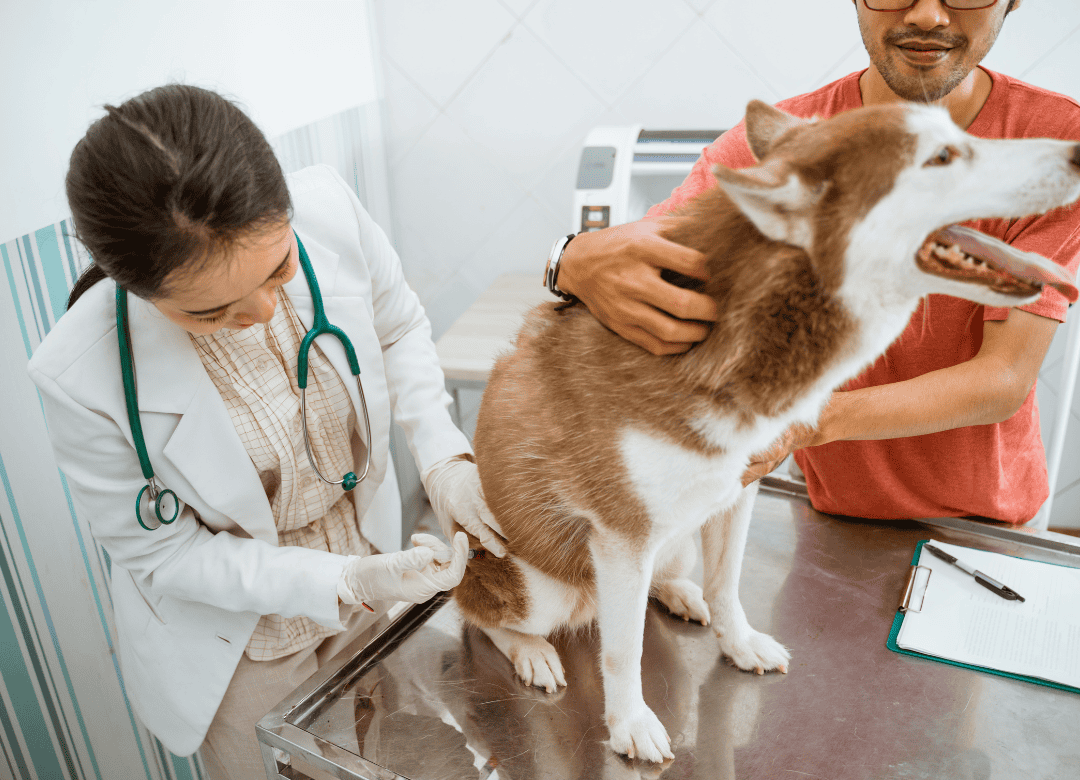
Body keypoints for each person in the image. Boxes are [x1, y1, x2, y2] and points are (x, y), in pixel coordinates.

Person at [28, 84, 506, 779]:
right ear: (139, 291)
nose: (261, 309)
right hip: (238, 640)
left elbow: (399, 326)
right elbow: (169, 556)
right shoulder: (82, 376)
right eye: (213, 311)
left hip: (372, 585)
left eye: (280, 268)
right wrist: (347, 579)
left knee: (418, 757)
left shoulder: (330, 210)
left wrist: (444, 462)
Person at [552, 0, 1080, 524]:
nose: (927, 15)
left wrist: (799, 421)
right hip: (829, 509)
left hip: (985, 519)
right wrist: (570, 259)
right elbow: (644, 266)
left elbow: (1002, 379)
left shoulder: (1060, 143)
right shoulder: (795, 149)